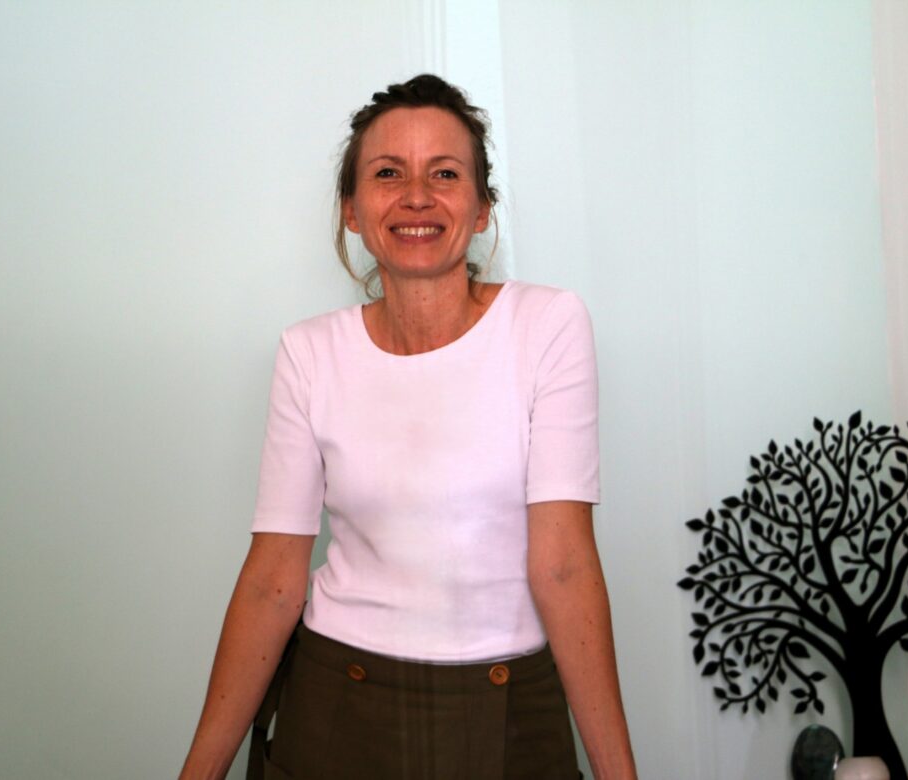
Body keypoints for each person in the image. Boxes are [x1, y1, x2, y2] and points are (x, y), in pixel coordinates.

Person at [179, 74, 636, 780]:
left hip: (511, 708)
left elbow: (564, 566)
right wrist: (198, 772)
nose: (416, 196)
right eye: (388, 173)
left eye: (444, 174)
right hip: (334, 703)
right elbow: (273, 581)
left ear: (481, 210)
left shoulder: (548, 325)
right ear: (352, 210)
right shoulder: (309, 352)